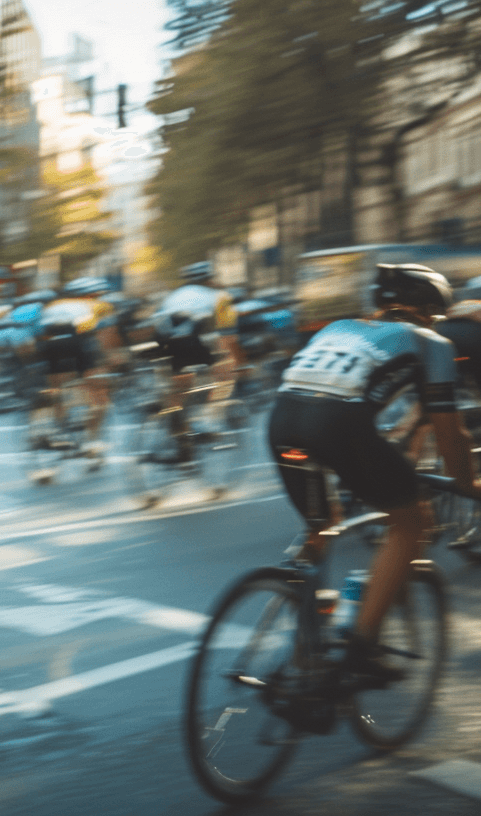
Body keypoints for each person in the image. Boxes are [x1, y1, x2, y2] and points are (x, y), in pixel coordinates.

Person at [269, 263, 481, 685]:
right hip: (338, 424)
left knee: (321, 525)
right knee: (412, 521)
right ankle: (360, 649)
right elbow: (449, 432)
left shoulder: (338, 327)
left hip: (283, 420)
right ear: (430, 311)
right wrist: (467, 485)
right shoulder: (431, 342)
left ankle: (304, 648)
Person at [34, 276, 122, 459]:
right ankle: (92, 441)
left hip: (49, 344)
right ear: (93, 294)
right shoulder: (100, 305)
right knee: (99, 392)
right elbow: (107, 337)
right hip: (76, 341)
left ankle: (54, 429)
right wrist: (111, 359)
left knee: (57, 388)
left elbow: (38, 332)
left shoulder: (52, 305)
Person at [151, 260, 244, 425]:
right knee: (226, 376)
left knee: (180, 385)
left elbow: (158, 324)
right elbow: (227, 336)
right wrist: (239, 363)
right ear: (209, 280)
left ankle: (177, 424)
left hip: (167, 344)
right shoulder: (220, 296)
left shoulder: (172, 296)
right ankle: (210, 420)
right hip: (193, 339)